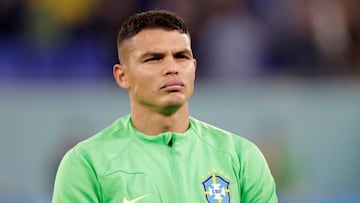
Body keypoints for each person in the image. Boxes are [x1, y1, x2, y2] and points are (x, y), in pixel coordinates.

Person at [52, 10, 278, 203]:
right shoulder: (87, 163)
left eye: (181, 57)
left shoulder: (241, 158)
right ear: (122, 76)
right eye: (153, 59)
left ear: (194, 68)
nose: (172, 68)